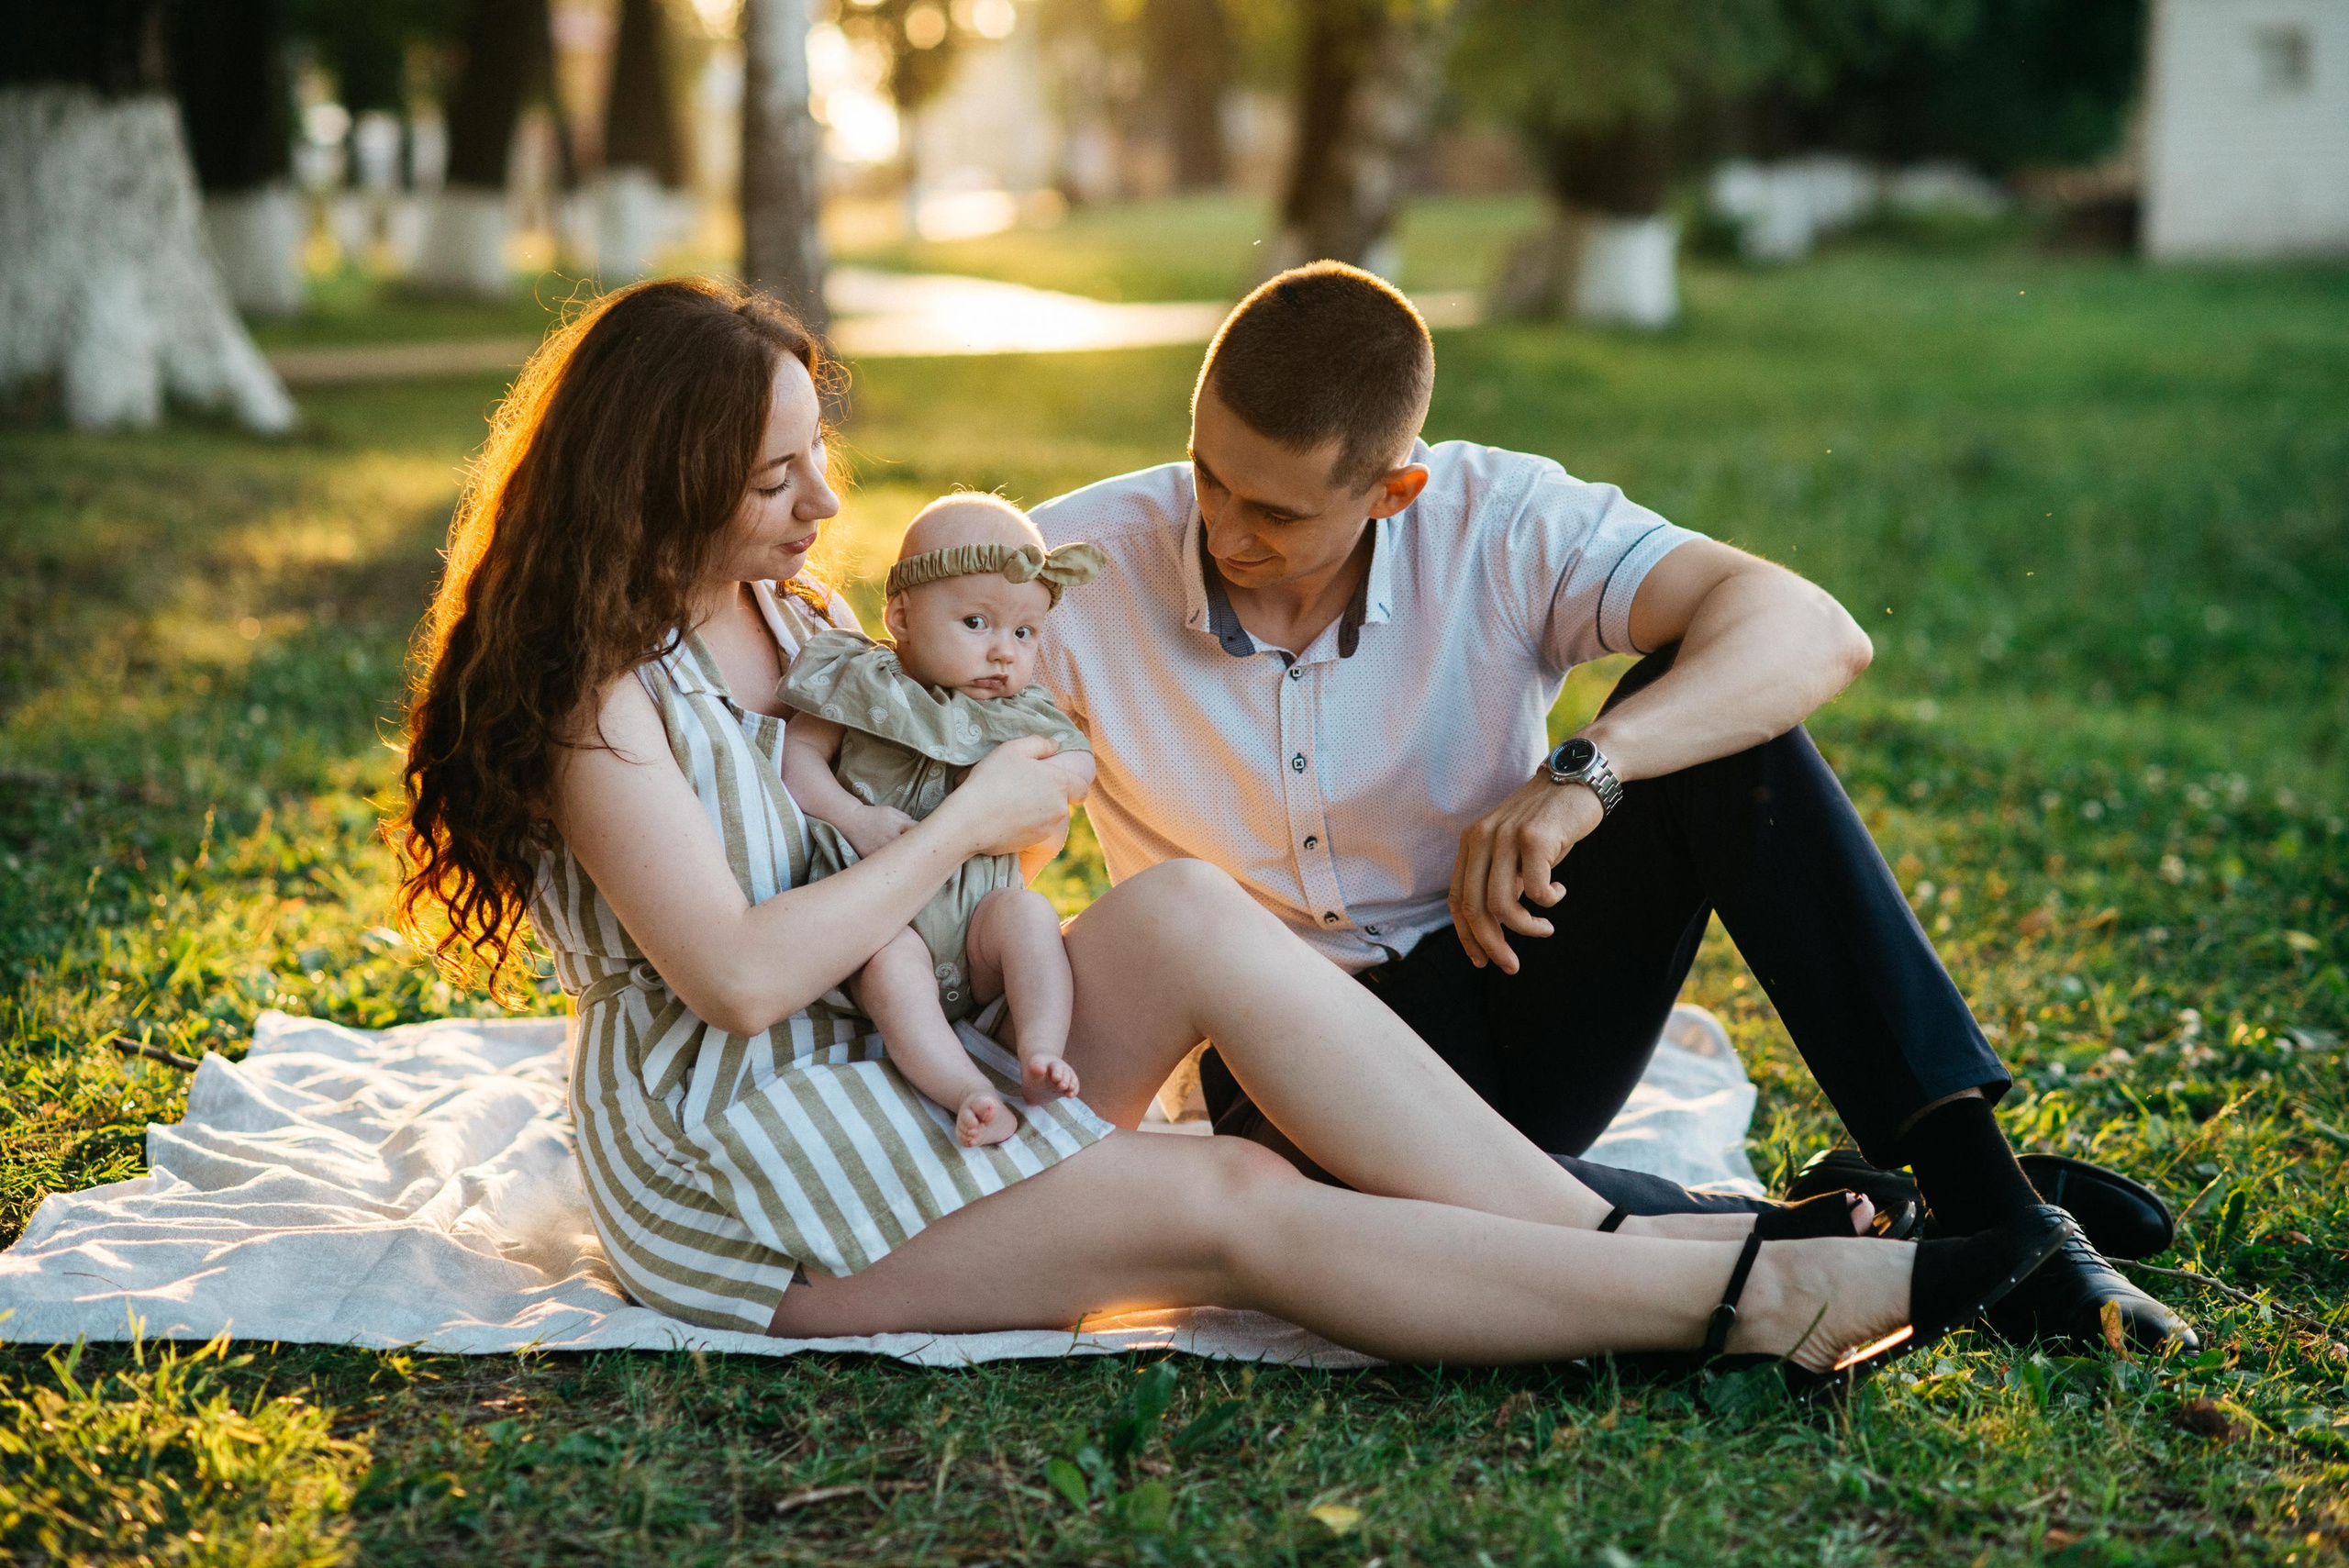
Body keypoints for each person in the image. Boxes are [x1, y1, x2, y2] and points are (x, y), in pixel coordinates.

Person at [390, 275, 2066, 1377]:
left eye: (816, 456)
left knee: (1190, 907)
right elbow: (747, 976)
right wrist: (973, 810)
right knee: (1234, 1200)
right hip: (753, 1157)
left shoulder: (791, 606)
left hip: (920, 1050)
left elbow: (924, 816)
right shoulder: (595, 701)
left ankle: (1704, 1228)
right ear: (654, 484)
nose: (827, 501)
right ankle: (1743, 1289)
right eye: (778, 476)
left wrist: (991, 844)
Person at [1030, 261, 2192, 1352]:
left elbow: (1806, 626)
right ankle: (1893, 1228)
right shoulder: (1072, 567)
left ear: (1394, 491)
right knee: (1310, 1213)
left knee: (1721, 736)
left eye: (1276, 514)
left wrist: (1587, 770)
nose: (1225, 531)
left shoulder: (1497, 519)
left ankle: (1992, 1200)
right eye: (1208, 476)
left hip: (1511, 986)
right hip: (1280, 1072)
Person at [777, 494, 1104, 1147]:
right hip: (877, 926)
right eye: (977, 621)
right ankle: (968, 1092)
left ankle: (1041, 1051)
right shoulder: (860, 681)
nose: (1003, 653)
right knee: (892, 968)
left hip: (976, 928)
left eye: (1024, 632)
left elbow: (1078, 766)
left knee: (1029, 916)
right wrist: (853, 817)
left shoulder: (1023, 712)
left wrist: (1048, 780)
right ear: (901, 614)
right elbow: (797, 758)